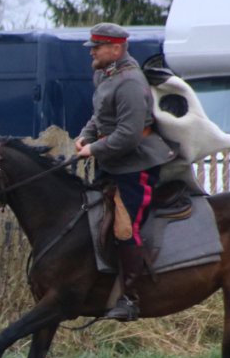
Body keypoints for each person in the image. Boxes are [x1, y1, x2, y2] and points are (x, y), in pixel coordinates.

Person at [74, 22, 176, 322]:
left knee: (124, 227)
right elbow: (101, 116)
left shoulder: (130, 81)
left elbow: (130, 135)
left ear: (116, 49)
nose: (91, 51)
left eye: (97, 47)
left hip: (138, 165)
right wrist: (86, 135)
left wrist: (93, 150)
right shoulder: (104, 74)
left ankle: (130, 298)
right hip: (113, 163)